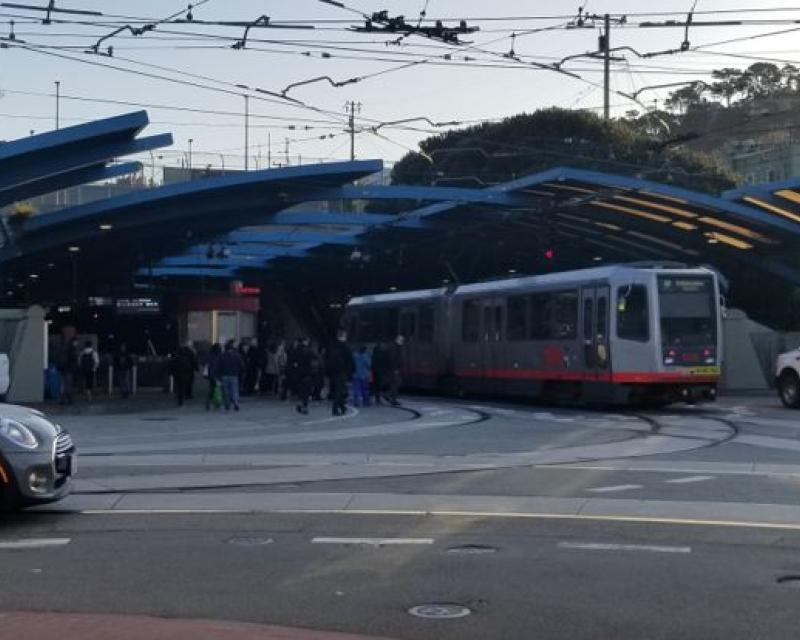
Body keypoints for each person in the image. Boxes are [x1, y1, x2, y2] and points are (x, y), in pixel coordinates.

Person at [326, 330, 354, 416]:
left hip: (334, 372)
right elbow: (350, 361)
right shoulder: (345, 347)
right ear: (344, 336)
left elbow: (327, 360)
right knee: (341, 391)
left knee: (339, 390)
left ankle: (342, 407)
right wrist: (351, 372)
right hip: (342, 372)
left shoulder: (332, 347)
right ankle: (336, 408)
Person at [219, 340, 245, 411]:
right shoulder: (236, 355)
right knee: (235, 390)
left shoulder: (222, 356)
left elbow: (219, 366)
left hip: (224, 375)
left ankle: (227, 404)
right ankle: (236, 403)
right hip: (234, 375)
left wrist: (219, 374)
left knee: (226, 391)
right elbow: (242, 365)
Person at [171, 341, 198, 407]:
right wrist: (196, 368)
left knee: (179, 386)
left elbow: (171, 360)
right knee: (186, 385)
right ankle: (186, 396)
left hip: (177, 373)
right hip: (187, 372)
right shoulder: (190, 353)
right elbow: (194, 361)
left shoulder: (176, 354)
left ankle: (180, 399)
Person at [294, 338, 314, 415]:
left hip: (298, 373)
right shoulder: (307, 351)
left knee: (301, 389)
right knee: (306, 390)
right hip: (306, 373)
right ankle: (304, 406)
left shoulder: (296, 350)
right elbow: (312, 359)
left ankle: (300, 404)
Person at [59, 338, 80, 405]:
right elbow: (74, 360)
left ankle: (64, 399)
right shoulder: (72, 350)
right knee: (68, 384)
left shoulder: (66, 349)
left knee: (65, 384)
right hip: (69, 369)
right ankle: (68, 399)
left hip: (65, 369)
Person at [386, 335, 405, 406]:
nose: (402, 342)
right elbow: (393, 359)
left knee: (394, 383)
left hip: (394, 369)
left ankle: (390, 396)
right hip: (394, 369)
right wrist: (395, 369)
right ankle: (392, 398)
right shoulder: (395, 348)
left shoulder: (395, 347)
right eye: (401, 340)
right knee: (397, 382)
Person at [371, 341, 390, 405]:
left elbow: (373, 362)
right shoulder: (384, 353)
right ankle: (382, 396)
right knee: (381, 384)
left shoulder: (375, 353)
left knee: (377, 385)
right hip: (381, 371)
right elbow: (387, 361)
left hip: (377, 371)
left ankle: (378, 397)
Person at [204, 343, 222, 410]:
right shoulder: (218, 356)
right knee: (217, 389)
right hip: (216, 375)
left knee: (212, 389)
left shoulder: (209, 355)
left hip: (211, 375)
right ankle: (217, 403)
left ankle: (209, 402)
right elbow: (217, 366)